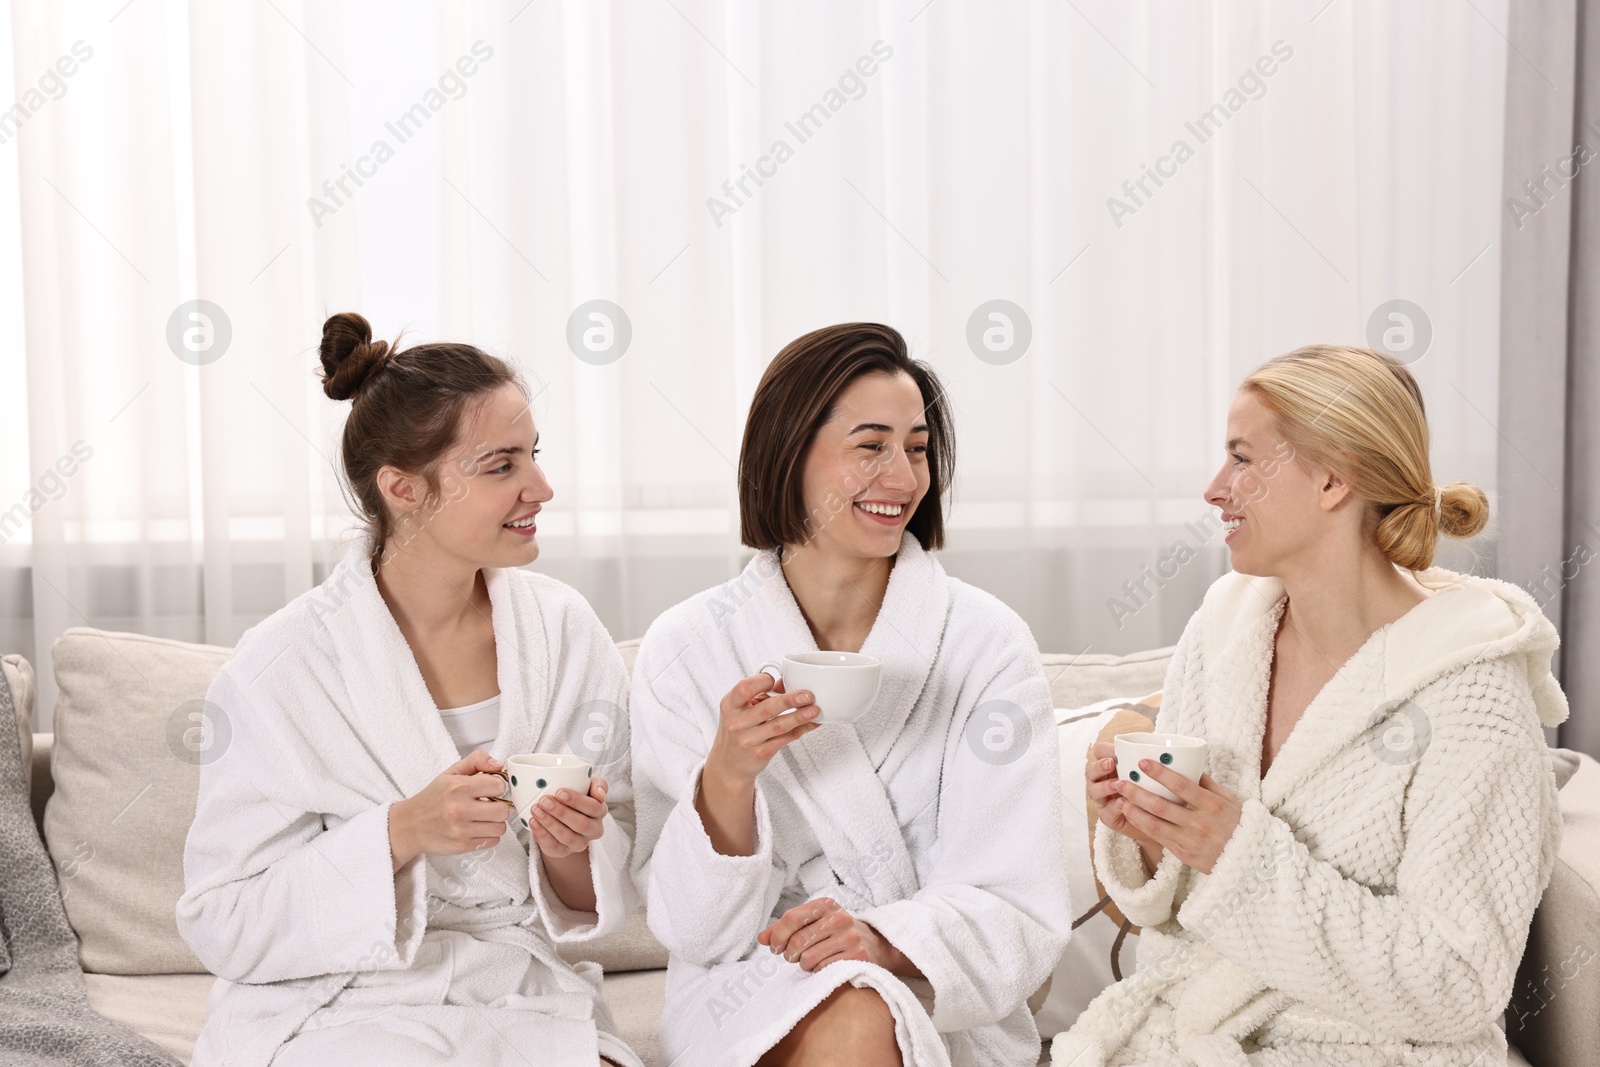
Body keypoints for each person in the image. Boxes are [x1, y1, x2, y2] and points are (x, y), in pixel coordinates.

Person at [1057, 344, 1567, 1066]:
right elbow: (1176, 908)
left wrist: (1238, 854)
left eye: (1242, 458)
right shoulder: (1225, 630)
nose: (1213, 488)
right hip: (1193, 1032)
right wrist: (1148, 829)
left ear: (1333, 479)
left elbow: (1458, 981)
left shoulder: (1470, 693)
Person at [177, 313, 641, 1067]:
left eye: (535, 456)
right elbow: (222, 917)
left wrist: (571, 849)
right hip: (342, 1000)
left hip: (518, 988)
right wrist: (399, 832)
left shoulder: (563, 631)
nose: (542, 487)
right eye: (502, 466)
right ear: (403, 487)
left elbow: (604, 882)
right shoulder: (281, 666)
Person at [631, 323, 1071, 1067]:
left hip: (931, 990)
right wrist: (729, 776)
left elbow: (1017, 902)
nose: (902, 477)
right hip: (745, 992)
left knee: (865, 1006)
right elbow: (695, 929)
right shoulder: (687, 646)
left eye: (918, 447)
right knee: (852, 1013)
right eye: (871, 446)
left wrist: (884, 940)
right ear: (789, 452)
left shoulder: (985, 643)